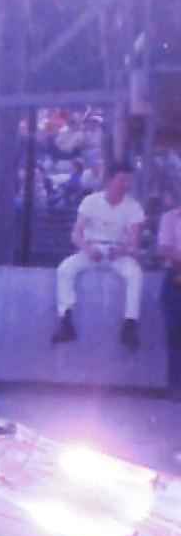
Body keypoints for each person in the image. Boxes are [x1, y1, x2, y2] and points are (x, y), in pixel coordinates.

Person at [51, 161, 144, 349]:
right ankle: (65, 320)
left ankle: (130, 324)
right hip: (91, 248)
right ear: (109, 180)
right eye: (122, 180)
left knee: (135, 274)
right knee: (65, 269)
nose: (125, 185)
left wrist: (121, 251)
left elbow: (133, 242)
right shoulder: (90, 201)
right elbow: (76, 234)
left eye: (128, 181)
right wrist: (88, 249)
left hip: (117, 252)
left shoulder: (133, 207)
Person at [157, 192, 181, 398]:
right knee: (175, 333)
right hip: (176, 274)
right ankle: (176, 386)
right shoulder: (170, 218)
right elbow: (164, 249)